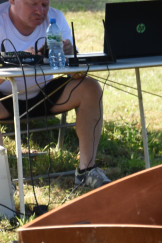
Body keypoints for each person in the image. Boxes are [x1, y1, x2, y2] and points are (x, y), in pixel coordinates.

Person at [0, 0, 110, 189]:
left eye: (44, 4)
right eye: (33, 4)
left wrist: (70, 55)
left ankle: (86, 170)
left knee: (90, 88)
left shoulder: (55, 20)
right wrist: (16, 63)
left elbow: (76, 74)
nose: (40, 11)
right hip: (5, 98)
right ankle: (2, 181)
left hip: (45, 93)